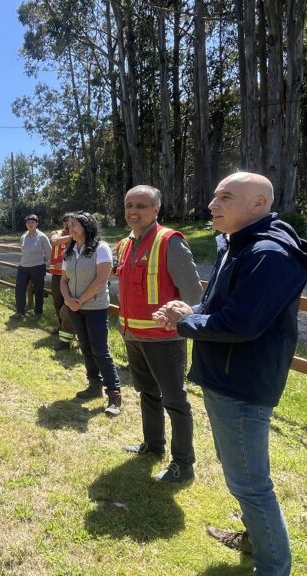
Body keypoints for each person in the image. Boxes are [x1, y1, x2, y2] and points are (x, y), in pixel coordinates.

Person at [156, 172, 306, 576]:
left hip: (243, 382)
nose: (212, 204)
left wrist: (185, 325)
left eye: (225, 196)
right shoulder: (237, 246)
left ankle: (274, 567)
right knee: (238, 470)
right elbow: (218, 307)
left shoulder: (269, 254)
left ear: (258, 204)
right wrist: (191, 313)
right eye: (214, 195)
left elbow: (241, 324)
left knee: (250, 485)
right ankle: (255, 540)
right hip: (225, 376)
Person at [114, 185, 202, 483]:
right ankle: (153, 446)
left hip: (165, 340)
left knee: (175, 401)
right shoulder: (125, 244)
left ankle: (183, 465)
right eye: (129, 205)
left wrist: (182, 322)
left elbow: (193, 295)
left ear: (156, 210)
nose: (133, 211)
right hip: (133, 336)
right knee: (147, 394)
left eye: (141, 205)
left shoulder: (169, 241)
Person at [60, 211, 122, 416]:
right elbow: (63, 280)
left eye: (75, 225)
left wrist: (80, 300)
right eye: (69, 225)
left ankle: (114, 394)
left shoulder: (101, 249)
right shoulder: (70, 250)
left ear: (87, 227)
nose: (71, 228)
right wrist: (69, 301)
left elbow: (101, 280)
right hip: (75, 308)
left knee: (100, 350)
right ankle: (93, 385)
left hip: (95, 308)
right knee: (85, 347)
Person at [11, 214, 52, 320]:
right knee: (19, 289)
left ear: (37, 224)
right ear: (26, 224)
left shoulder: (42, 237)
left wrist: (43, 261)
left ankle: (38, 313)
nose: (30, 224)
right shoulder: (23, 237)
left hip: (37, 267)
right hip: (23, 267)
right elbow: (23, 250)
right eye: (28, 222)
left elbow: (49, 252)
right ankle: (20, 311)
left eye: (32, 222)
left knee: (38, 290)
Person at [48, 213, 75, 349]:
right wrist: (71, 236)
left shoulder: (78, 234)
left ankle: (71, 331)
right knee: (57, 302)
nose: (70, 224)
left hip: (72, 276)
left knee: (69, 304)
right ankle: (61, 328)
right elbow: (54, 241)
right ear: (64, 223)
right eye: (68, 222)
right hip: (57, 275)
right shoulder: (57, 233)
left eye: (73, 221)